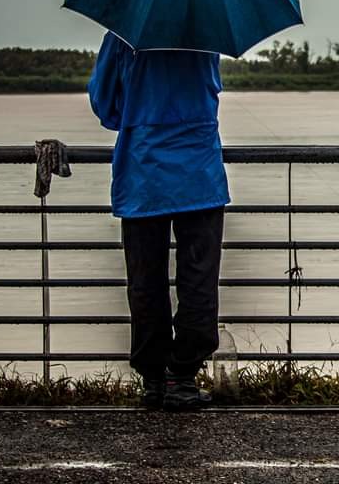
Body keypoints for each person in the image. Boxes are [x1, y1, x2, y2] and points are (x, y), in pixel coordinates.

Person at [88, 31, 230, 411]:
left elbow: (105, 105)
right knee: (199, 280)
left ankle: (154, 379)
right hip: (199, 174)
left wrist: (140, 114)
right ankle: (181, 376)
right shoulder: (206, 34)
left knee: (145, 282)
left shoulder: (123, 35)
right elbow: (210, 94)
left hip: (142, 172)